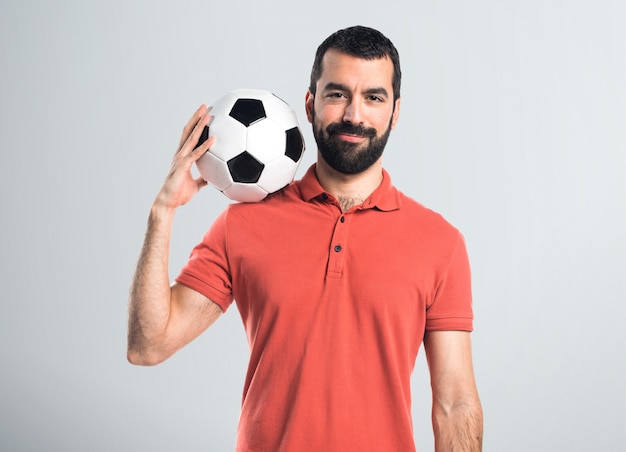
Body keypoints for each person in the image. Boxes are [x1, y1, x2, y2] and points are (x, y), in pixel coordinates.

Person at [128, 25, 483, 451]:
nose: (354, 115)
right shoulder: (243, 224)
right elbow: (148, 346)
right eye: (337, 94)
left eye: (374, 97)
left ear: (395, 111)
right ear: (311, 103)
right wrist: (161, 213)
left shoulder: (439, 243)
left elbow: (455, 403)